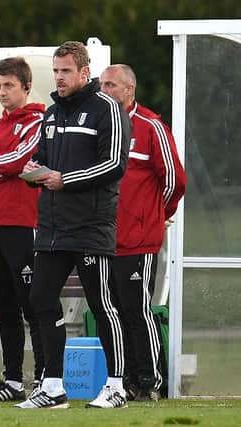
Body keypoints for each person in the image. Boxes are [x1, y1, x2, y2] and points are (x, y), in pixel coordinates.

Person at [16, 41, 130, 409]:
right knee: (40, 300)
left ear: (84, 72)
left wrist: (66, 179)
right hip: (52, 226)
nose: (59, 78)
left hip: (91, 226)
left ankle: (116, 386)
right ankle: (52, 386)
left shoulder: (107, 110)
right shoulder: (51, 114)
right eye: (56, 71)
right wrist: (32, 170)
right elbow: (42, 158)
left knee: (101, 303)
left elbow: (113, 165)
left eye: (66, 71)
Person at [100, 64, 186, 401]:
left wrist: (153, 216)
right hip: (102, 238)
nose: (104, 91)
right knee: (113, 312)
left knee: (137, 309)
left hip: (137, 239)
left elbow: (174, 181)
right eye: (102, 85)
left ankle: (151, 381)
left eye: (111, 85)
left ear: (129, 89)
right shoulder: (100, 126)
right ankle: (125, 380)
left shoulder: (151, 127)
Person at [0, 57, 45, 402]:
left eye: (9, 86)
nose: (2, 92)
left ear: (26, 87)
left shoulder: (39, 121)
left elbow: (21, 161)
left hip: (24, 224)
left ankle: (48, 378)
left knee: (34, 305)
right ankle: (14, 381)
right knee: (4, 308)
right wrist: (1, 166)